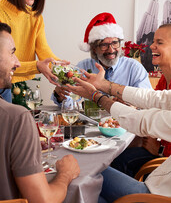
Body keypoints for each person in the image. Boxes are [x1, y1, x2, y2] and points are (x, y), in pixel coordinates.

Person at [65, 63, 171, 201]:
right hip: (157, 184)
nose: (152, 46)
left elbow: (140, 120)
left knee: (82, 169)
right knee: (88, 188)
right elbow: (153, 98)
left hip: (153, 196)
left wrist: (96, 96)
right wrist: (103, 85)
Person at [0, 22, 80, 202]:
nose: (18, 63)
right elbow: (43, 200)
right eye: (12, 53)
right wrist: (65, 175)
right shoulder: (16, 118)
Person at [110, 24, 171, 177]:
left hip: (165, 163)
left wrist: (160, 150)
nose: (152, 46)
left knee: (116, 163)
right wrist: (132, 106)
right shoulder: (163, 79)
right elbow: (152, 110)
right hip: (157, 149)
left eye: (159, 42)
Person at [52, 12, 152, 105]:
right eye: (104, 45)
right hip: (93, 121)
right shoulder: (83, 67)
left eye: (115, 43)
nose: (111, 50)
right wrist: (60, 95)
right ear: (94, 49)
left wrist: (129, 103)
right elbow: (70, 102)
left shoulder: (134, 67)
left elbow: (147, 100)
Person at [0, 0, 65, 103]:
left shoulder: (35, 18)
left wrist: (62, 70)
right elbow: (2, 62)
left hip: (7, 86)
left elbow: (44, 51)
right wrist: (36, 66)